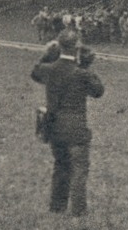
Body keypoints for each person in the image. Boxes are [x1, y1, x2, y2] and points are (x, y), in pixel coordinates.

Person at [30, 30, 104, 215]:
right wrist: (86, 65)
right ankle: (79, 211)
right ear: (77, 47)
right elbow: (98, 91)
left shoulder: (49, 69)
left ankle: (57, 207)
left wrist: (48, 54)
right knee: (79, 169)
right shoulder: (81, 73)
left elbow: (35, 71)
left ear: (59, 46)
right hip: (77, 128)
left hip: (54, 127)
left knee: (61, 165)